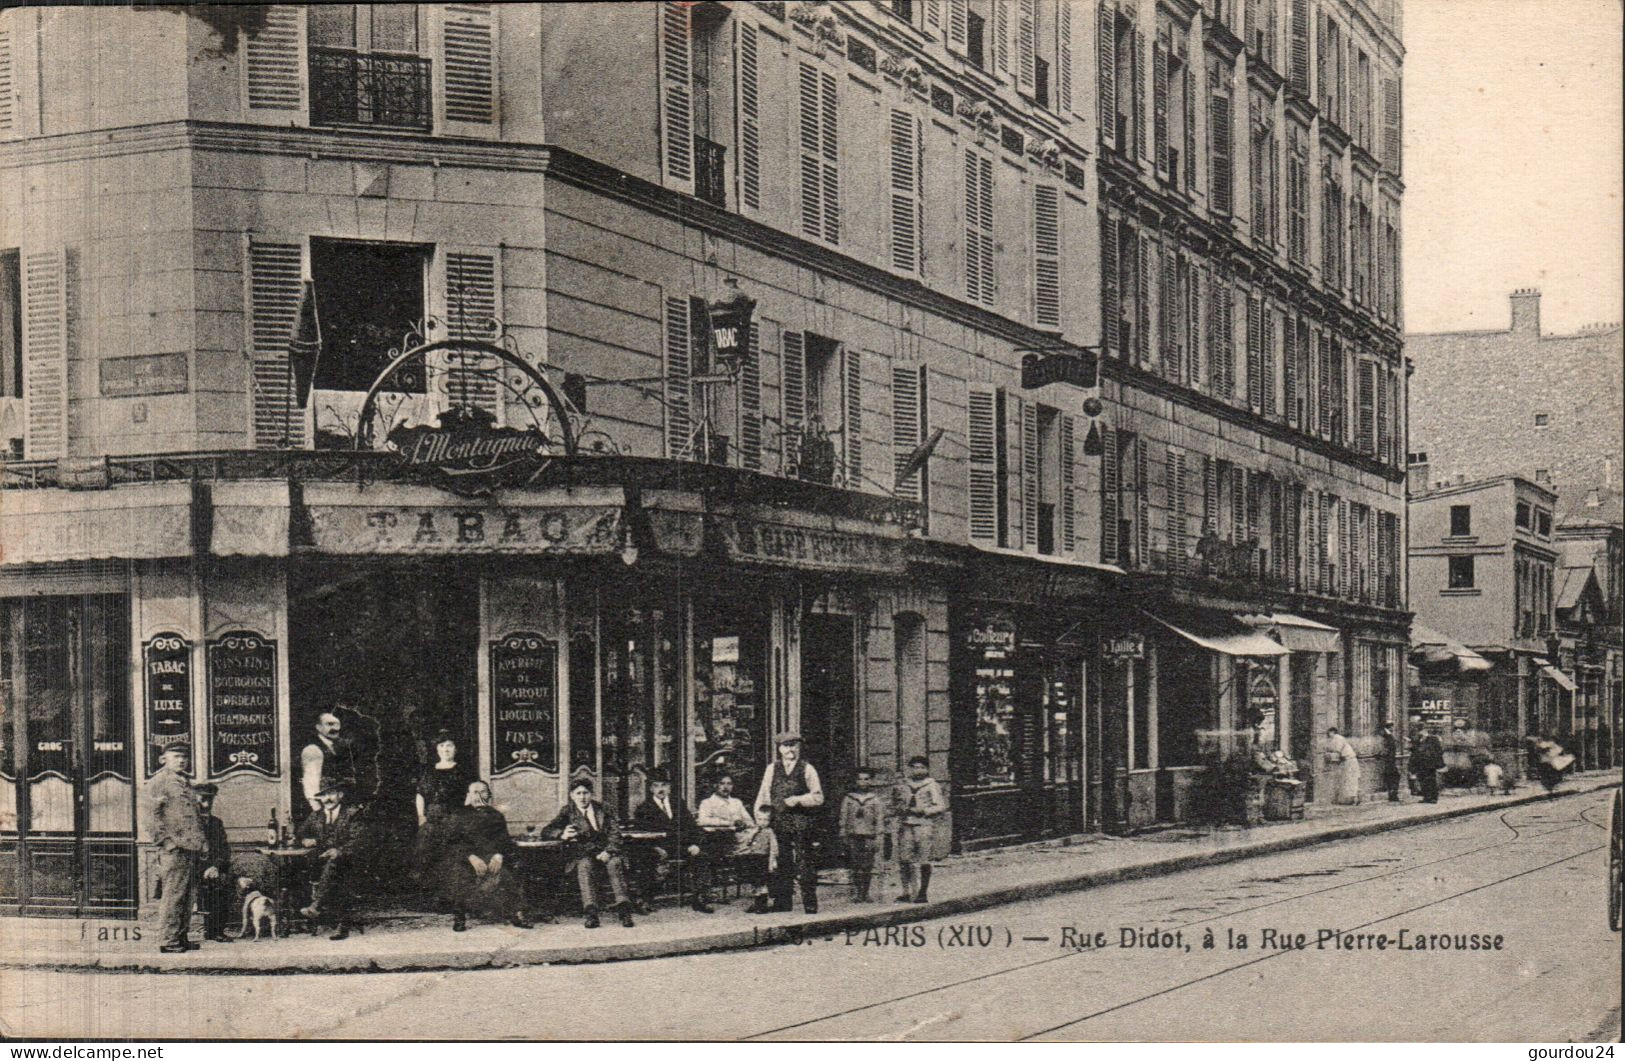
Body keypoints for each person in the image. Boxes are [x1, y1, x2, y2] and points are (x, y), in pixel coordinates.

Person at [541, 777, 635, 928]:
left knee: (615, 863)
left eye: (585, 793)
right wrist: (562, 834)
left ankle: (624, 911)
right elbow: (547, 831)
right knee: (584, 866)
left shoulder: (604, 808)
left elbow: (615, 833)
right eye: (578, 793)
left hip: (606, 851)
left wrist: (609, 851)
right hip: (584, 854)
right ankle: (591, 913)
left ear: (591, 794)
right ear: (572, 795)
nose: (582, 797)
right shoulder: (568, 811)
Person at [439, 781, 533, 932]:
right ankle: (459, 916)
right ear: (469, 796)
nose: (479, 796)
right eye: (475, 792)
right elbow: (453, 842)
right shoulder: (458, 815)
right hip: (468, 859)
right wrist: (471, 857)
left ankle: (517, 913)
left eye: (483, 792)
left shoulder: (496, 816)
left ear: (489, 795)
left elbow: (504, 840)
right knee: (460, 874)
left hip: (491, 858)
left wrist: (498, 855)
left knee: (507, 875)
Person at [145, 746, 207, 953]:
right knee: (173, 895)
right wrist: (166, 842)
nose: (182, 760)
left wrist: (201, 842)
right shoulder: (158, 782)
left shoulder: (185, 782)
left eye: (184, 757)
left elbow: (193, 816)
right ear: (163, 759)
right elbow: (150, 816)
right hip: (175, 848)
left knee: (188, 895)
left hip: (191, 846)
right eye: (176, 757)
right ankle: (168, 940)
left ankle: (181, 936)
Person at [754, 734, 824, 914]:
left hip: (801, 822)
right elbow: (764, 795)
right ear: (779, 749)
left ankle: (810, 902)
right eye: (786, 746)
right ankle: (783, 902)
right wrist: (761, 817)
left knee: (804, 862)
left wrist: (799, 799)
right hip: (779, 821)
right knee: (780, 861)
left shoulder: (807, 769)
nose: (791, 750)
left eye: (794, 746)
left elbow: (818, 797)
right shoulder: (772, 769)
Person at [632, 768, 714, 913]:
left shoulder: (678, 804)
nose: (660, 789)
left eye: (663, 785)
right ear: (651, 788)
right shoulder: (643, 809)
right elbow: (643, 835)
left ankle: (700, 898)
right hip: (658, 848)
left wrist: (694, 844)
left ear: (669, 787)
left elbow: (692, 826)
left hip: (680, 847)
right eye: (656, 786)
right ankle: (644, 899)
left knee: (701, 855)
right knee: (646, 858)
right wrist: (656, 848)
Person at [297, 782, 366, 940]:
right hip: (320, 862)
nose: (327, 799)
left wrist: (339, 851)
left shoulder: (352, 813)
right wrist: (307, 840)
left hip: (349, 861)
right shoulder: (316, 815)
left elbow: (359, 840)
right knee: (299, 869)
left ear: (340, 795)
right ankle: (310, 915)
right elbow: (300, 832)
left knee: (336, 864)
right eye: (323, 795)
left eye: (331, 794)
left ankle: (318, 907)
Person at [414, 732, 474, 882]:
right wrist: (421, 816)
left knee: (451, 851)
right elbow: (420, 794)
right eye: (441, 746)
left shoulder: (463, 771)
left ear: (455, 749)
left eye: (449, 745)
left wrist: (463, 813)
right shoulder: (429, 771)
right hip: (432, 817)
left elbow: (470, 793)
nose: (445, 749)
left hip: (454, 815)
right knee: (426, 850)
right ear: (437, 749)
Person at [893, 756, 948, 904]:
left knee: (924, 859)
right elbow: (897, 802)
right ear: (910, 769)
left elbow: (940, 806)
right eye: (915, 767)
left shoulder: (932, 785)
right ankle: (906, 891)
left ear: (927, 769)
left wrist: (924, 810)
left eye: (921, 767)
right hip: (906, 824)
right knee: (904, 859)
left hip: (924, 824)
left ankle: (922, 892)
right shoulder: (904, 784)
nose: (918, 770)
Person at [194, 783, 234, 944]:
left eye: (210, 799)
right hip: (193, 867)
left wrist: (215, 866)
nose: (207, 803)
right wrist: (203, 868)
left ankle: (216, 930)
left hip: (212, 868)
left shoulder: (216, 823)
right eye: (203, 799)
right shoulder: (190, 823)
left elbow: (224, 849)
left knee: (222, 883)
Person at [839, 766, 885, 902]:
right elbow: (843, 817)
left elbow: (880, 818)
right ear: (855, 781)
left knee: (868, 865)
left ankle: (866, 892)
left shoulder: (875, 799)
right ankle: (858, 893)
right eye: (860, 779)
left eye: (866, 779)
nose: (863, 782)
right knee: (855, 864)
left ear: (870, 781)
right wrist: (843, 833)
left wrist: (879, 835)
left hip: (869, 835)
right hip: (853, 834)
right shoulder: (849, 799)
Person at [300, 712, 359, 817]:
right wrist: (318, 812)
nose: (335, 728)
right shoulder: (313, 750)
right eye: (330, 724)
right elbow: (310, 785)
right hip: (324, 809)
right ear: (318, 727)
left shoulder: (340, 748)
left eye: (337, 725)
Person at [1324, 727, 1361, 805]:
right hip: (1346, 761)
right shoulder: (1336, 739)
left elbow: (1337, 751)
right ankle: (1352, 799)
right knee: (1348, 781)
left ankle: (1355, 799)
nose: (1329, 735)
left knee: (1351, 780)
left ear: (1333, 732)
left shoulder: (1338, 738)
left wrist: (1329, 755)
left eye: (1330, 733)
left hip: (1350, 761)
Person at [1413, 726, 1445, 803]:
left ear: (1425, 731)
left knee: (1431, 780)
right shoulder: (1418, 740)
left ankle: (1433, 798)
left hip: (1430, 763)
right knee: (1422, 780)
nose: (1419, 733)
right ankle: (1426, 797)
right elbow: (1415, 751)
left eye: (1421, 730)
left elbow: (1439, 750)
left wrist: (1435, 760)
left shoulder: (1433, 739)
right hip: (1420, 763)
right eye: (1418, 731)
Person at [1378, 722, 1402, 803]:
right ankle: (1393, 795)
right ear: (1390, 727)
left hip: (1389, 760)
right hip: (1389, 760)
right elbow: (1386, 748)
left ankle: (1392, 794)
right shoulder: (1387, 736)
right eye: (1392, 727)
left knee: (1392, 777)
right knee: (1394, 777)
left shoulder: (1387, 735)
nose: (1393, 728)